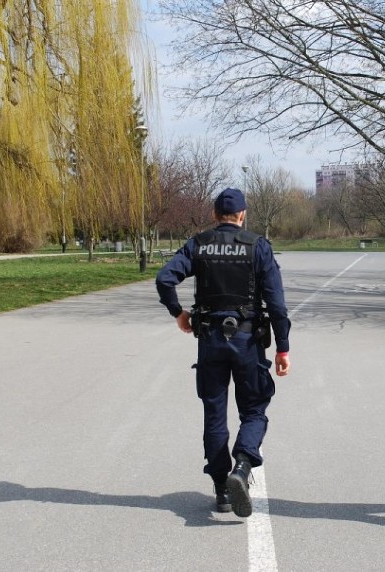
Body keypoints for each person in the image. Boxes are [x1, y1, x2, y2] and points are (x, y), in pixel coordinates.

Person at [155, 187, 291, 518]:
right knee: (255, 408)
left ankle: (221, 489)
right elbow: (276, 304)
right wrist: (283, 347)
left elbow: (164, 278)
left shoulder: (198, 244)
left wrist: (179, 313)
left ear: (215, 215)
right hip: (247, 341)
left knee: (214, 414)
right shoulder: (258, 246)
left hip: (211, 341)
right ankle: (242, 467)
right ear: (243, 215)